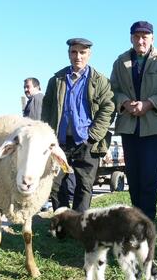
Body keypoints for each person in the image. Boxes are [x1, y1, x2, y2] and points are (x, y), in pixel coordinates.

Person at [111, 21, 157, 220]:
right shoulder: (120, 61)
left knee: (149, 178)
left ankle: (148, 222)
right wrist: (124, 102)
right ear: (131, 37)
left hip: (154, 128)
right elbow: (113, 89)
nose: (140, 40)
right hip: (128, 126)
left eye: (145, 36)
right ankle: (136, 220)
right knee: (133, 176)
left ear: (152, 38)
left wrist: (149, 103)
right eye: (136, 36)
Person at [41, 38, 115, 213]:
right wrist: (48, 134)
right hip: (59, 142)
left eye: (82, 52)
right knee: (56, 184)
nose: (78, 56)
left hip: (87, 142)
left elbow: (109, 108)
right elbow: (47, 107)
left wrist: (93, 136)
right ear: (69, 54)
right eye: (74, 52)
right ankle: (63, 224)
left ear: (89, 55)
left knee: (85, 185)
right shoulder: (57, 80)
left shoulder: (100, 81)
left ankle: (80, 225)